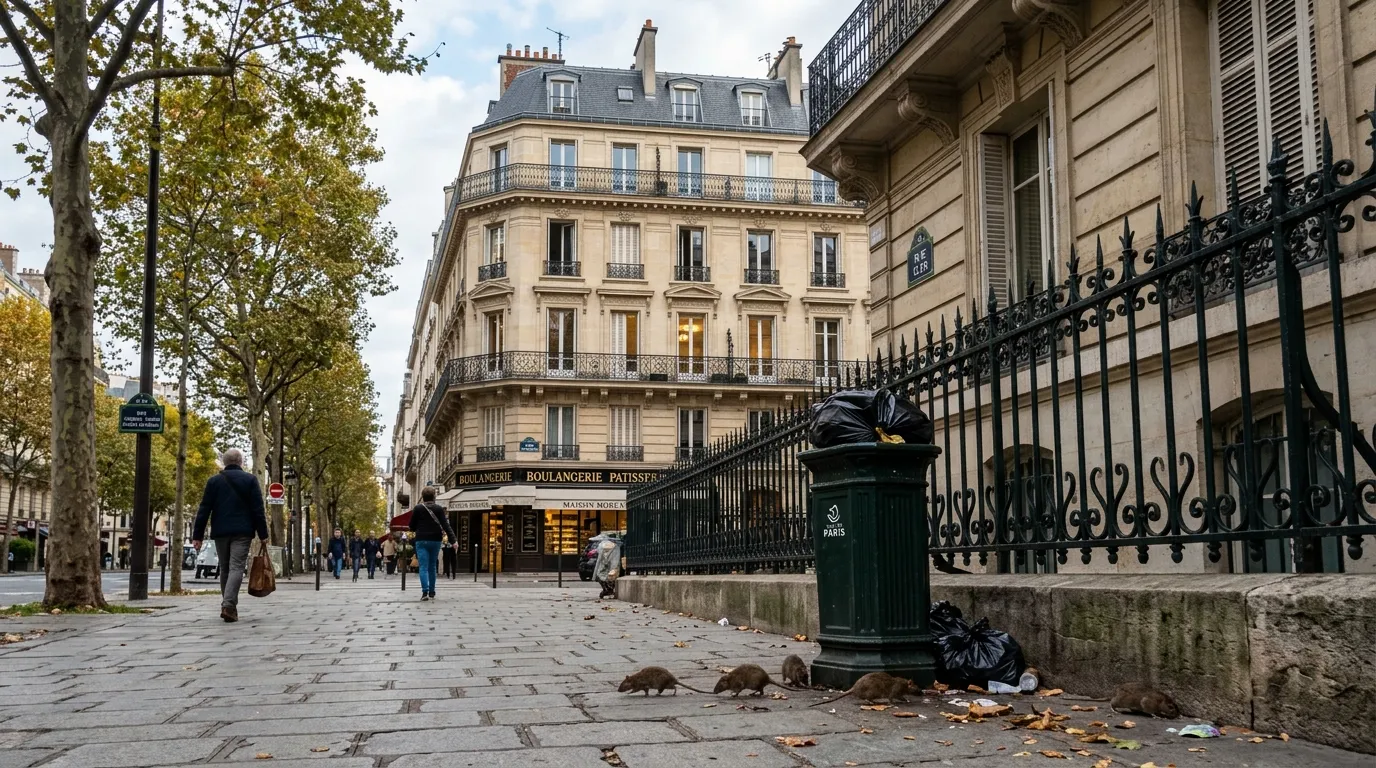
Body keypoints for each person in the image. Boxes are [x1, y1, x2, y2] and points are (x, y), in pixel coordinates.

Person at [192, 448, 270, 623]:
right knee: (236, 567)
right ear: (240, 462)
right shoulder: (250, 480)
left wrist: (197, 535)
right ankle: (228, 605)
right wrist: (263, 534)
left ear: (225, 462)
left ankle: (229, 607)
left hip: (220, 532)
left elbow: (204, 509)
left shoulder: (214, 481)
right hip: (243, 532)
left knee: (225, 568)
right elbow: (258, 510)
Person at [407, 487, 456, 601]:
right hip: (435, 540)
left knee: (423, 567)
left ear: (423, 497)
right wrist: (453, 540)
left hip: (421, 540)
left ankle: (425, 592)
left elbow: (411, 526)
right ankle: (432, 591)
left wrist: (418, 527)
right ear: (434, 497)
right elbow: (445, 525)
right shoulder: (439, 509)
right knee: (432, 566)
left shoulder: (418, 508)